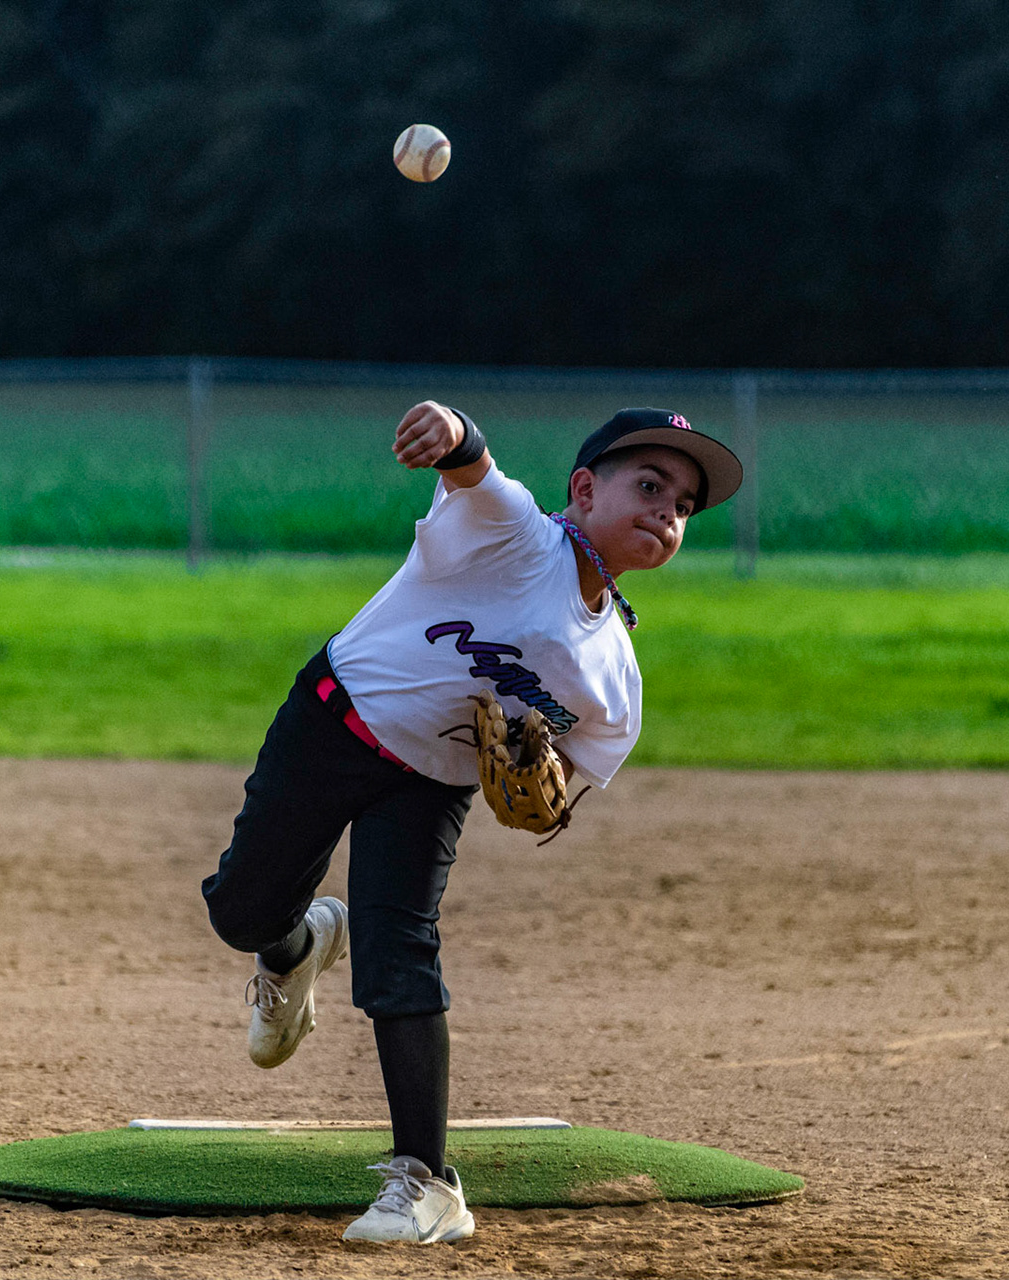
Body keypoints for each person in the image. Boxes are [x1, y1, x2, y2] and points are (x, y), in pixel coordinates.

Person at [200, 400, 742, 1244]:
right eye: (650, 483)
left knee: (399, 950)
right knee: (241, 913)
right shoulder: (518, 536)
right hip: (334, 723)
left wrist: (542, 793)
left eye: (683, 506)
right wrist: (449, 428)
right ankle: (298, 945)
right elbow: (473, 465)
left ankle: (427, 1185)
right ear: (584, 489)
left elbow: (553, 798)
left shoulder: (614, 683)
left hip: (431, 783)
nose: (668, 510)